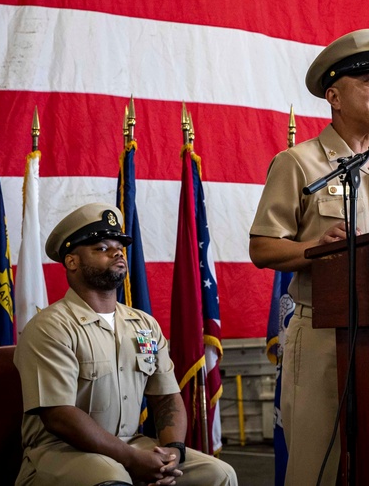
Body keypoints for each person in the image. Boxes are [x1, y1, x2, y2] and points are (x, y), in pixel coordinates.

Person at [249, 29, 369, 485]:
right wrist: (314, 250)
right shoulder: (299, 163)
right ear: (334, 95)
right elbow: (262, 247)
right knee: (317, 469)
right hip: (322, 333)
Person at [13, 203, 238, 486]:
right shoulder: (51, 326)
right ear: (72, 261)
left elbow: (167, 397)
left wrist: (172, 452)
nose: (117, 252)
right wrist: (130, 460)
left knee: (218, 475)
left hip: (133, 444)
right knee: (113, 479)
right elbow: (59, 415)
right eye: (102, 248)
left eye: (119, 246)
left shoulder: (144, 325)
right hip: (61, 452)